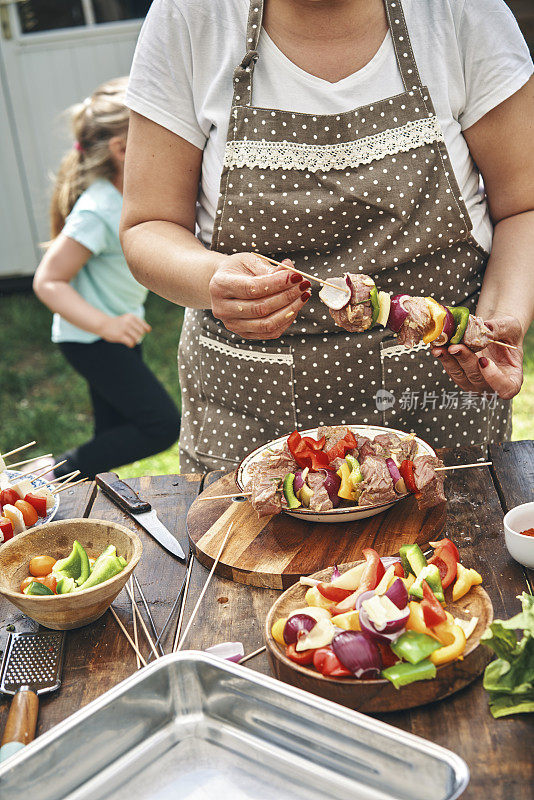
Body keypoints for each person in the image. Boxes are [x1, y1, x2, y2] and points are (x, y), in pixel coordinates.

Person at [120, 0, 534, 474]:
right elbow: (147, 225)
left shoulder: (460, 12)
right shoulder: (190, 16)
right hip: (251, 414)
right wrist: (213, 278)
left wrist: (495, 325)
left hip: (441, 404)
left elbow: (524, 206)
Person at [33, 77, 180, 479]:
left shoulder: (128, 195)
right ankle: (41, 476)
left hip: (113, 333)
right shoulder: (98, 209)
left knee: (111, 437)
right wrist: (107, 325)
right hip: (92, 339)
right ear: (121, 150)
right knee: (159, 425)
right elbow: (48, 280)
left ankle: (87, 503)